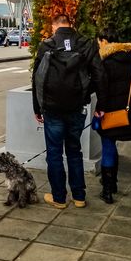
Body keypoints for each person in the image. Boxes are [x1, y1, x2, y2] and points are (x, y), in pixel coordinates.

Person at [32, 14, 106, 209]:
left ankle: (59, 197)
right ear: (70, 25)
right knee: (74, 151)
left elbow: (36, 79)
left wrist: (37, 108)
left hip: (52, 108)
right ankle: (79, 197)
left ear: (54, 26)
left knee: (54, 153)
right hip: (76, 107)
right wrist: (101, 105)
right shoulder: (86, 44)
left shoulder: (46, 45)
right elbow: (99, 74)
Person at [94, 30, 131, 204]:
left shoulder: (106, 62)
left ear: (104, 41)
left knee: (107, 145)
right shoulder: (130, 60)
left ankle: (107, 190)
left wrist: (99, 109)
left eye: (99, 42)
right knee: (112, 145)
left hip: (109, 112)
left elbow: (103, 90)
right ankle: (112, 183)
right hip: (125, 112)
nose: (98, 45)